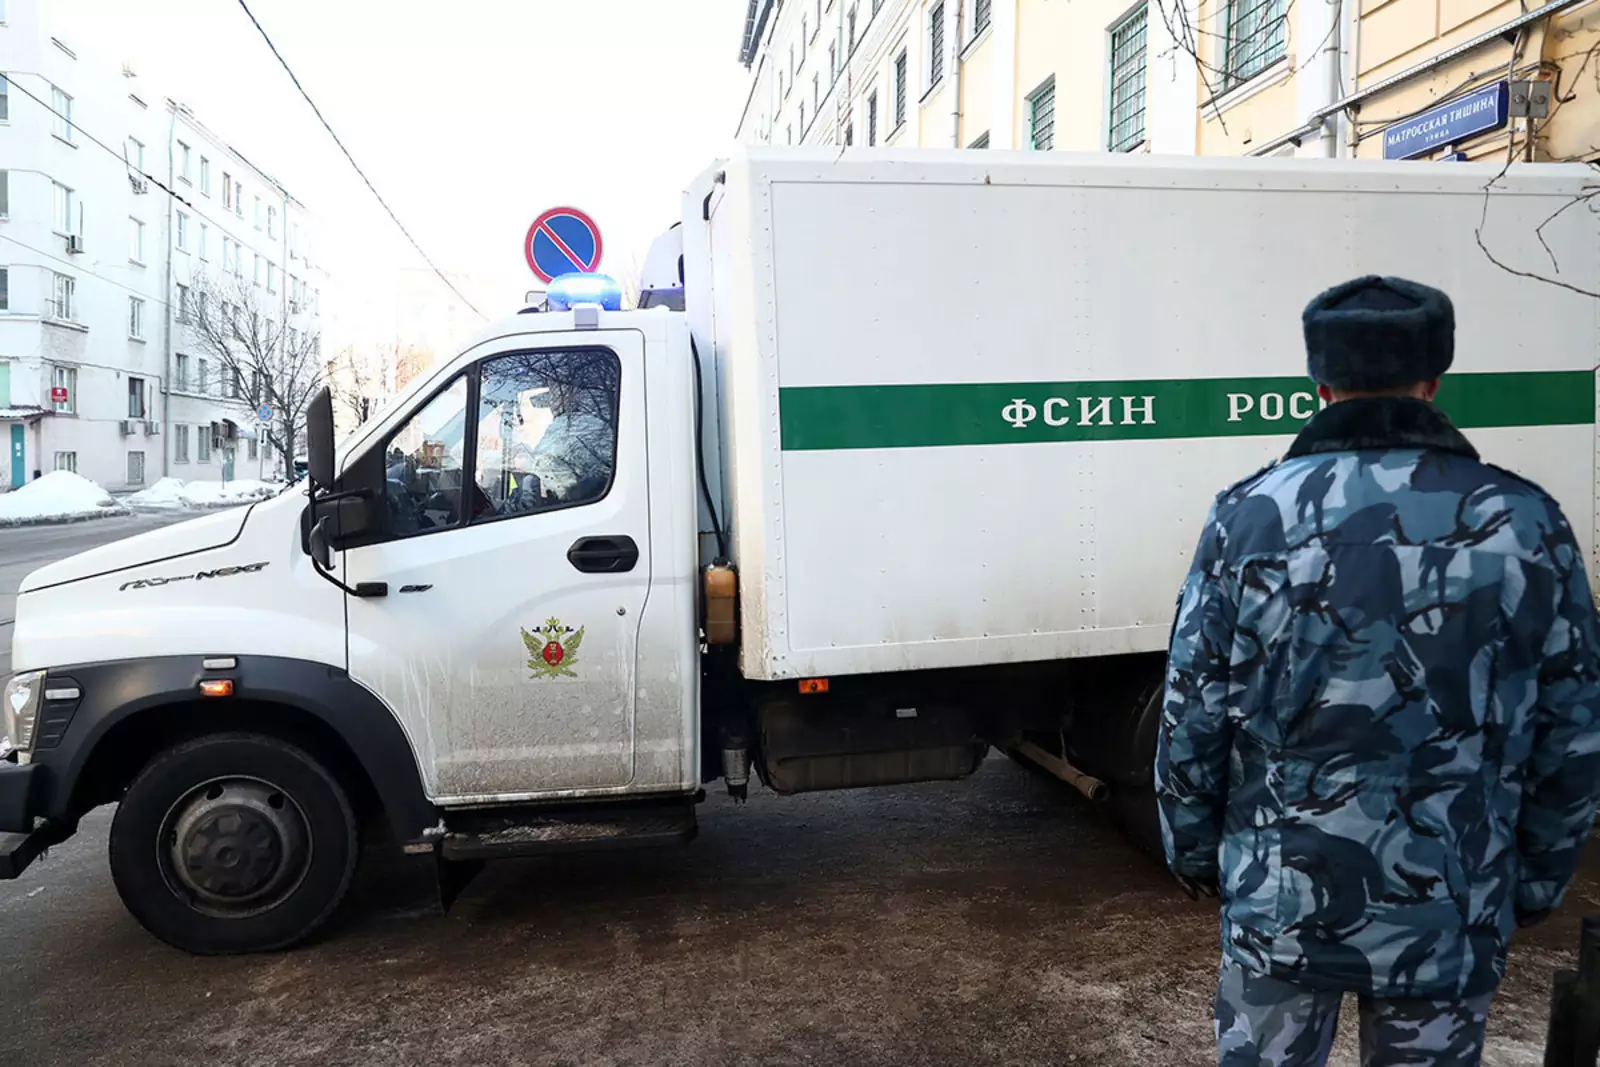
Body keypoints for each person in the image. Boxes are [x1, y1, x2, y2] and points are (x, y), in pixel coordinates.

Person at [1155, 275, 1600, 1066]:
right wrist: (1530, 881)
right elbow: (1572, 732)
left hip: (1281, 902)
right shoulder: (1526, 523)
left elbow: (1193, 711)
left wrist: (1197, 853)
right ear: (1434, 381)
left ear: (1320, 384)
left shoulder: (1247, 518)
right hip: (1451, 902)